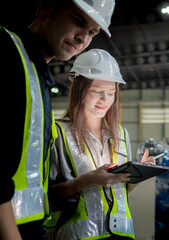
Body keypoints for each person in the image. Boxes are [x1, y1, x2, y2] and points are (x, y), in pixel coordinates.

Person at [0, 0, 116, 239]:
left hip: (31, 226)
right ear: (47, 7)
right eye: (78, 21)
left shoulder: (38, 77)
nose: (82, 39)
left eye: (92, 33)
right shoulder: (7, 54)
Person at [46, 49, 156, 240]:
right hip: (78, 235)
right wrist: (88, 180)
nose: (105, 100)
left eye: (111, 93)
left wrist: (138, 173)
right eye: (96, 92)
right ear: (79, 90)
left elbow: (121, 190)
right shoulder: (58, 132)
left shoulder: (121, 134)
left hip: (121, 233)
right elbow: (48, 195)